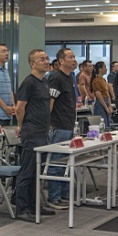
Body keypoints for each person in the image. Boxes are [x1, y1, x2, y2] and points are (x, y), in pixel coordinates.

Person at [13, 50, 51, 223]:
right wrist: (21, 126)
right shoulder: (28, 83)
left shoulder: (44, 82)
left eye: (47, 58)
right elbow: (19, 108)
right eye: (42, 59)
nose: (46, 61)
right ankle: (22, 209)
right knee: (27, 172)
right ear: (32, 63)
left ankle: (34, 205)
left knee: (37, 172)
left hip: (42, 132)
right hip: (31, 132)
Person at [45, 47, 77, 209]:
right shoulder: (56, 78)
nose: (74, 59)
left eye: (74, 56)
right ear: (61, 61)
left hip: (68, 125)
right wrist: (47, 124)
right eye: (70, 57)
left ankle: (64, 194)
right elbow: (50, 102)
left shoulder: (70, 77)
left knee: (66, 163)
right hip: (58, 126)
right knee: (56, 163)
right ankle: (54, 197)